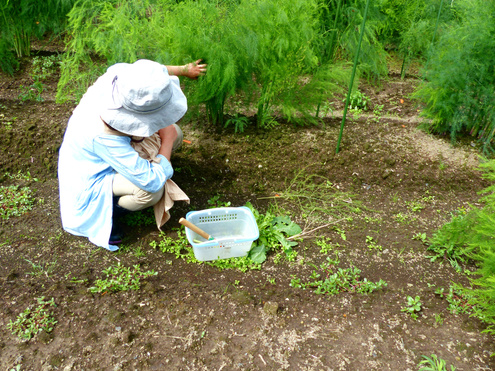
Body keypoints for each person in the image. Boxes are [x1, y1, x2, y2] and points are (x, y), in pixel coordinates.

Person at [58, 59, 206, 251]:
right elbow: (151, 181)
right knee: (152, 192)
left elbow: (155, 72)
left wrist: (184, 69)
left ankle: (141, 165)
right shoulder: (102, 134)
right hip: (92, 174)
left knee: (175, 132)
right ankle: (112, 210)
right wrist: (166, 140)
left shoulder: (120, 78)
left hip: (110, 151)